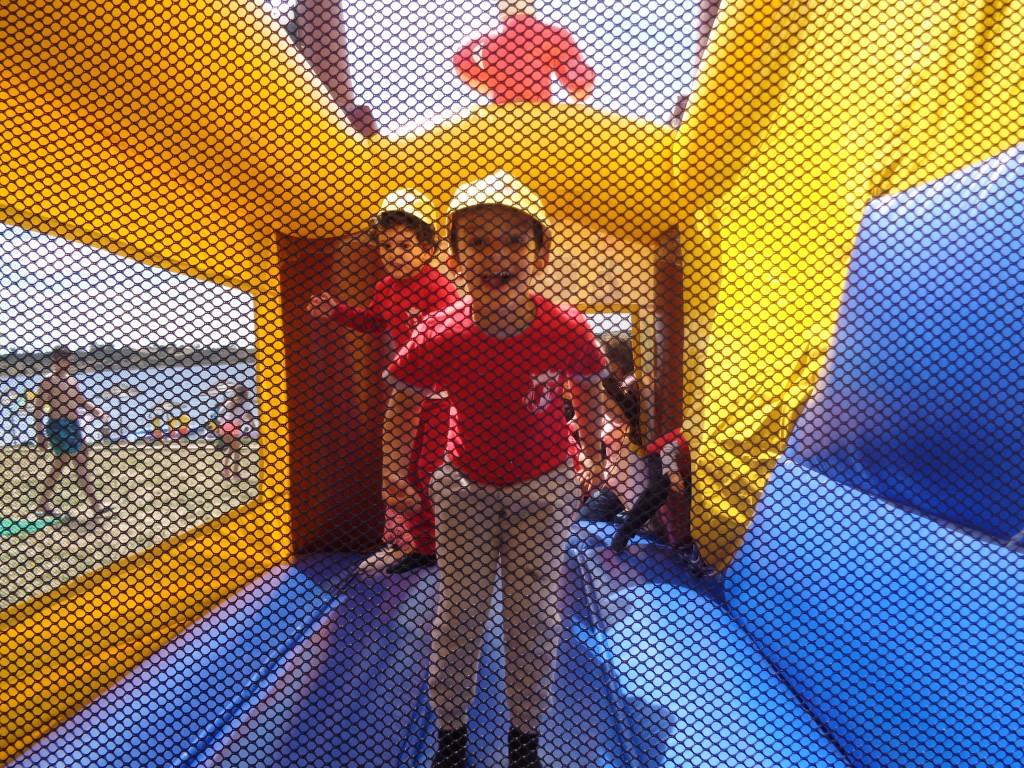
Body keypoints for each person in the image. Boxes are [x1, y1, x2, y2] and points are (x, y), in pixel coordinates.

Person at [382, 172, 607, 768]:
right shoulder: (441, 331)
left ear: (541, 254)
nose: (495, 254)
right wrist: (391, 472)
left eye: (512, 240)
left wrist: (592, 451)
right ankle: (451, 736)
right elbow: (403, 406)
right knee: (461, 610)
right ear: (455, 259)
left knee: (532, 614)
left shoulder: (565, 326)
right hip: (466, 488)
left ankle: (524, 740)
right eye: (477, 242)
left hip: (544, 487)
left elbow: (587, 392)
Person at [307, 189, 461, 575]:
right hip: (409, 396)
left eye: (405, 246)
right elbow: (376, 322)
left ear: (428, 250)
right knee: (402, 474)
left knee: (431, 471)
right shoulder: (385, 288)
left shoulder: (438, 287)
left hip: (441, 397)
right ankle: (425, 546)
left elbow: (457, 334)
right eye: (387, 246)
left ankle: (452, 541)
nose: (394, 254)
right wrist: (337, 312)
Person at [610, 427, 714, 576]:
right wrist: (672, 472)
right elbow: (667, 450)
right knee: (658, 491)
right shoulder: (699, 430)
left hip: (684, 463)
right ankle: (624, 533)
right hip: (659, 453)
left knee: (699, 497)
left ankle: (697, 550)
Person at [453, 1, 596, 105]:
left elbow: (462, 62)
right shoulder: (555, 36)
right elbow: (580, 88)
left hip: (500, 123)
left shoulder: (481, 45)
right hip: (542, 121)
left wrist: (495, 81)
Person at [32, 346, 112, 524]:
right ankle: (96, 506)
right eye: (65, 358)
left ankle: (43, 503)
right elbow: (38, 409)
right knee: (74, 462)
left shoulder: (71, 380)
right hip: (58, 426)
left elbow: (82, 401)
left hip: (74, 426)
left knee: (64, 464)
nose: (68, 362)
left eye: (69, 358)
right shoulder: (48, 381)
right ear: (56, 359)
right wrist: (39, 434)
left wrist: (97, 411)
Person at [577, 335, 649, 523]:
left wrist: (592, 387)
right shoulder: (610, 389)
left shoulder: (631, 384)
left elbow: (623, 417)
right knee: (583, 521)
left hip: (631, 481)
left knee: (585, 522)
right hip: (614, 483)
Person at [211, 384, 256, 483]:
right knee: (236, 451)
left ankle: (225, 470)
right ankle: (234, 474)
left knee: (231, 449)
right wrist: (254, 426)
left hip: (224, 426)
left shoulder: (229, 401)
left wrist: (218, 428)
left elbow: (220, 414)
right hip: (234, 427)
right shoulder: (246, 403)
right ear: (246, 393)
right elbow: (249, 416)